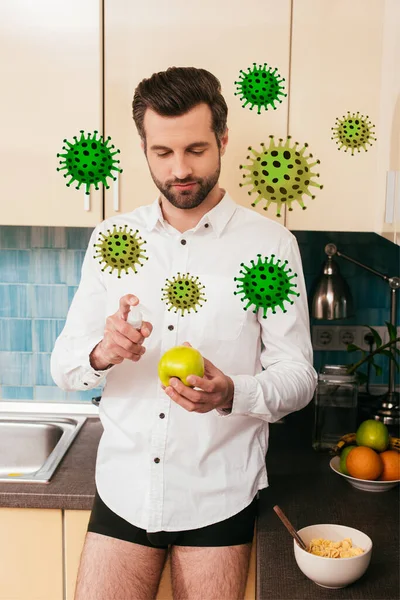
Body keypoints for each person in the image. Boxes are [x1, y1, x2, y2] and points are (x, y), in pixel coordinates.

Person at [51, 66, 317, 600]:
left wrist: (233, 393)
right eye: (163, 153)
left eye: (196, 149)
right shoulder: (112, 238)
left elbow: (299, 377)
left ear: (222, 139)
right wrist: (103, 352)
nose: (180, 170)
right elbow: (64, 367)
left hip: (218, 494)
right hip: (123, 487)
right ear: (144, 149)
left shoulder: (271, 244)